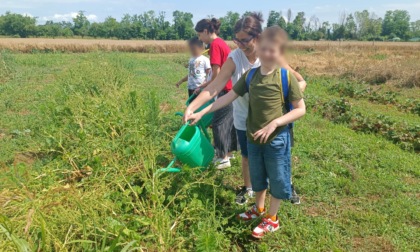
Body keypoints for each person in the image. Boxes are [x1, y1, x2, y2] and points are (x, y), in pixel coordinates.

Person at [187, 26, 306, 239]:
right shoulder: (250, 76)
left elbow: (300, 107)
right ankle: (258, 209)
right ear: (259, 50)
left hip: (277, 137)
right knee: (257, 174)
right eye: (265, 49)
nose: (269, 54)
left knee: (277, 176)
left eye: (274, 50)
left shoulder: (285, 76)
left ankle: (273, 218)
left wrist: (276, 121)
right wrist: (201, 110)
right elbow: (226, 96)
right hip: (253, 135)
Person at [194, 17, 236, 169]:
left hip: (225, 89)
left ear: (206, 31)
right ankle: (229, 152)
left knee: (219, 123)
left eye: (199, 35)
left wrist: (204, 88)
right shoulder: (221, 42)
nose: (200, 38)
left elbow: (216, 75)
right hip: (232, 88)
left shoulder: (215, 45)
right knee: (229, 123)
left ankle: (223, 158)